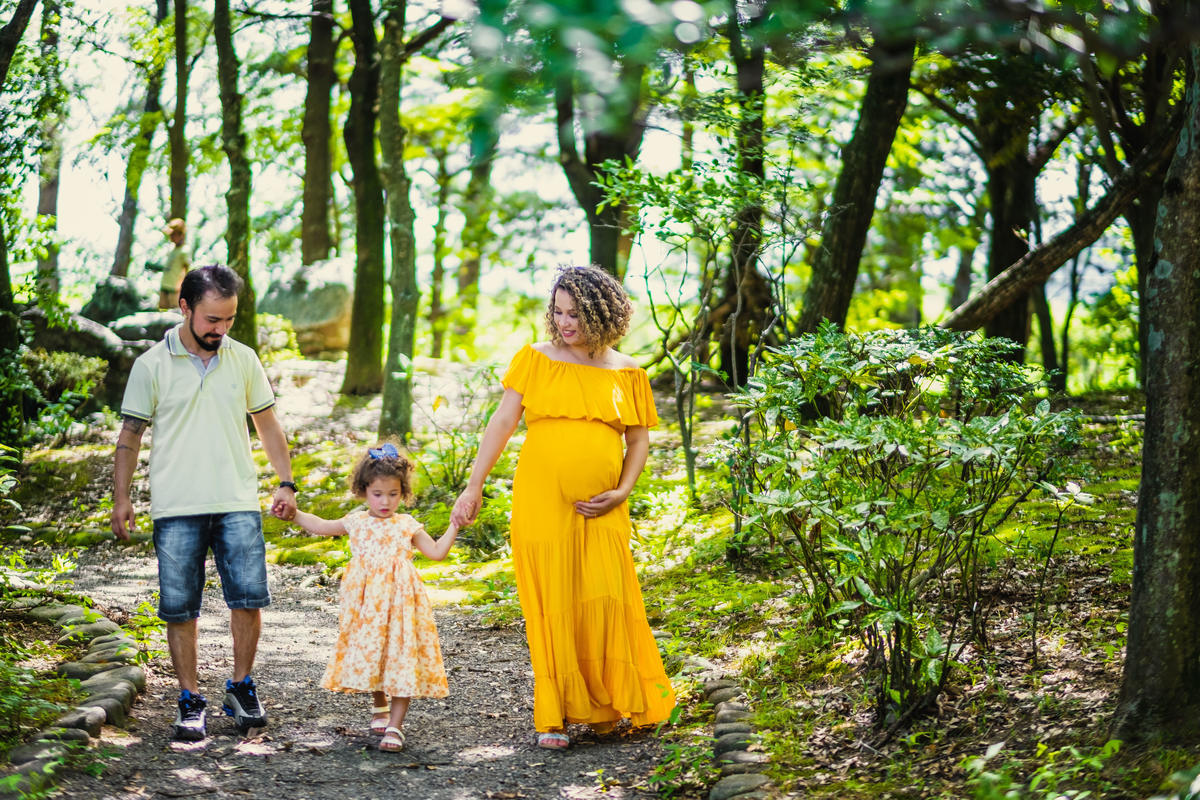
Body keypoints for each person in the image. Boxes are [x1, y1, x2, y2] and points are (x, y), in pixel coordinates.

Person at [451, 265, 676, 750]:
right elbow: (503, 423)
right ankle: (552, 715)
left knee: (604, 598)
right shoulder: (536, 358)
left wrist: (623, 491)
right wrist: (474, 485)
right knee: (552, 601)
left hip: (604, 506)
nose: (565, 321)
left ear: (602, 312)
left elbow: (638, 440)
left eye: (576, 312)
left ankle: (605, 709)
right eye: (558, 311)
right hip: (540, 500)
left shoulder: (629, 371)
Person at [110, 263, 298, 742]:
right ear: (185, 308)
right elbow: (130, 435)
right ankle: (190, 698)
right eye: (213, 319)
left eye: (229, 319)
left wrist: (286, 482)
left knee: (249, 599)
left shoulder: (243, 358)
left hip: (236, 499)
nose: (221, 329)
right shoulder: (151, 363)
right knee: (180, 608)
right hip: (176, 506)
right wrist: (122, 497)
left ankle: (241, 686)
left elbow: (268, 424)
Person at [285, 443, 459, 753]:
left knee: (400, 653)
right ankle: (379, 704)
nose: (385, 501)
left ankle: (395, 725)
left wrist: (455, 525)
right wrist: (294, 514)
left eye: (393, 494)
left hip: (401, 603)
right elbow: (322, 526)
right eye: (378, 494)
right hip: (364, 604)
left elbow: (436, 552)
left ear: (402, 493)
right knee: (372, 652)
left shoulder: (406, 525)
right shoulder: (357, 521)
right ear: (364, 490)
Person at [158, 218, 191, 310]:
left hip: (175, 290)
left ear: (181, 235)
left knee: (175, 314)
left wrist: (181, 286)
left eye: (173, 235)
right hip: (165, 286)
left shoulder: (184, 250)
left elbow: (186, 269)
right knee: (162, 311)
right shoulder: (171, 248)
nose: (171, 237)